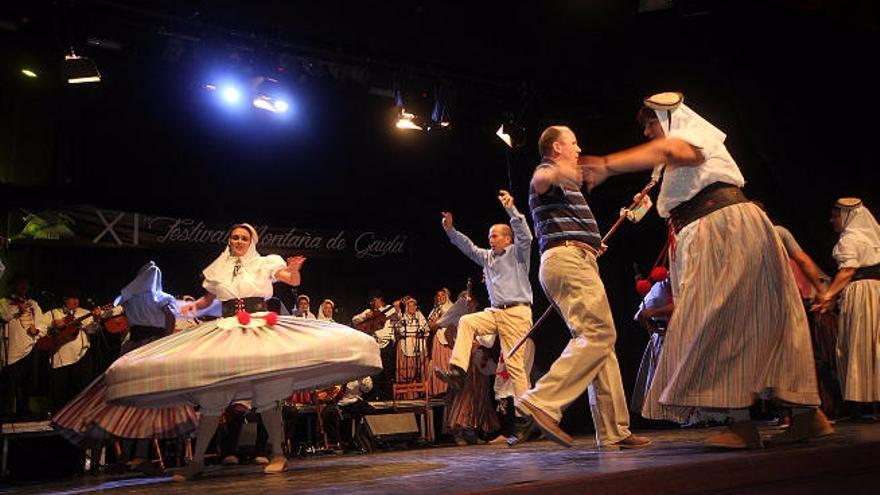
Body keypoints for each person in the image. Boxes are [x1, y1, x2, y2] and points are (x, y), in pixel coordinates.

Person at [584, 92, 829, 448]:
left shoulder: (692, 138)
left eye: (650, 125)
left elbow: (672, 150)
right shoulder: (690, 160)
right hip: (726, 225)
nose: (649, 134)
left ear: (667, 119)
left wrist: (607, 164)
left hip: (719, 228)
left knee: (719, 317)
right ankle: (808, 415)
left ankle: (740, 423)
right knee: (761, 316)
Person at [58, 225, 382, 481]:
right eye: (234, 237)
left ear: (251, 241)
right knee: (214, 395)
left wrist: (295, 270)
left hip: (259, 327)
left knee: (266, 391)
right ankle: (197, 462)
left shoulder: (264, 263)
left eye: (243, 237)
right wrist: (188, 308)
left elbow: (289, 278)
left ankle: (277, 453)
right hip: (228, 328)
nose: (238, 241)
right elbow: (205, 301)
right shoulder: (219, 267)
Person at [512, 126, 650, 450]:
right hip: (568, 260)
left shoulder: (568, 188)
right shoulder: (547, 171)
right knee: (599, 336)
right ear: (557, 147)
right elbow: (540, 180)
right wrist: (561, 170)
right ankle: (542, 401)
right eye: (573, 143)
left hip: (577, 258)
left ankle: (615, 430)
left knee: (600, 345)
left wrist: (594, 242)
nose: (579, 148)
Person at [434, 190, 534, 434]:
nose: (490, 239)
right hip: (496, 312)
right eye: (489, 236)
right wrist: (450, 230)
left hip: (517, 313)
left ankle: (526, 416)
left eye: (495, 235)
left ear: (507, 239)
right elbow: (467, 247)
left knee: (514, 366)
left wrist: (512, 210)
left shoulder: (518, 254)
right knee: (467, 321)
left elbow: (526, 236)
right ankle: (457, 371)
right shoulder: (487, 258)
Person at [812, 198, 880, 414]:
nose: (832, 220)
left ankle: (868, 400)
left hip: (862, 293)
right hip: (876, 290)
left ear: (848, 216)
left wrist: (828, 294)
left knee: (861, 342)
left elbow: (848, 270)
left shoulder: (850, 239)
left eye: (836, 215)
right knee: (874, 343)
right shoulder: (873, 238)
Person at [46, 289, 101, 413]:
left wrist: (96, 319)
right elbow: (44, 331)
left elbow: (92, 330)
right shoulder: (54, 313)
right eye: (72, 298)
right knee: (61, 391)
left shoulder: (85, 312)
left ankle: (79, 416)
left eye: (77, 297)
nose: (76, 300)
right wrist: (54, 325)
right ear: (65, 300)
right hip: (61, 357)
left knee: (81, 389)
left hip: (82, 356)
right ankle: (58, 416)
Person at [0, 274, 47, 419]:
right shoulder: (4, 302)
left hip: (28, 349)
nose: (23, 286)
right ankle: (4, 413)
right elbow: (4, 316)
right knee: (8, 384)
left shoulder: (33, 304)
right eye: (20, 283)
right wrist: (18, 310)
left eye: (26, 283)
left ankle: (23, 411)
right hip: (11, 349)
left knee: (26, 383)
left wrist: (37, 331)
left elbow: (43, 324)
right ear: (14, 285)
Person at [631, 277, 673, 416]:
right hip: (665, 337)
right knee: (664, 377)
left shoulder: (689, 284)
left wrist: (655, 312)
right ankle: (664, 413)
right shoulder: (659, 288)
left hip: (687, 335)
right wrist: (655, 330)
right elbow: (640, 315)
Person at [352, 294, 397, 400]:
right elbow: (354, 320)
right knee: (375, 370)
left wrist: (396, 307)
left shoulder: (389, 309)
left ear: (380, 299)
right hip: (375, 345)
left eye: (374, 300)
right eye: (371, 301)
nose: (372, 303)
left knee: (387, 371)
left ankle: (387, 396)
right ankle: (375, 394)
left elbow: (395, 316)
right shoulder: (369, 311)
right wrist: (365, 316)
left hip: (387, 345)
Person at [320, 376, 374, 450]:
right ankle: (336, 441)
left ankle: (362, 441)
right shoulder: (334, 371)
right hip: (336, 402)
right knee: (327, 413)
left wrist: (362, 377)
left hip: (353, 400)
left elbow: (367, 389)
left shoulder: (359, 371)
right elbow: (323, 393)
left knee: (370, 411)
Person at [426, 288, 454, 396]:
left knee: (448, 362)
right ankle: (440, 389)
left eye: (443, 295)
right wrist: (436, 322)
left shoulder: (452, 308)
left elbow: (452, 323)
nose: (440, 298)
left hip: (448, 339)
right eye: (438, 296)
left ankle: (449, 387)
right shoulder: (435, 310)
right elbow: (431, 326)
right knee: (438, 362)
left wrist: (438, 321)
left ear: (446, 296)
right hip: (438, 338)